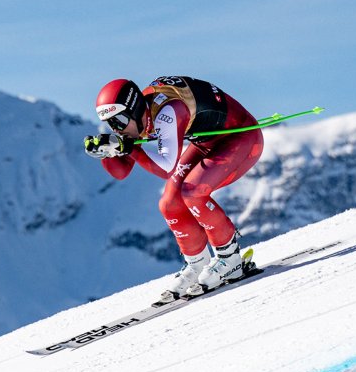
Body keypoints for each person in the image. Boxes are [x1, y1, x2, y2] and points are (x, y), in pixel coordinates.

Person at [84, 76, 264, 303]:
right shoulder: (135, 120)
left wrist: (126, 148)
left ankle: (230, 260)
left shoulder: (168, 111)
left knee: (193, 191)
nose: (117, 128)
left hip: (242, 139)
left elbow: (167, 167)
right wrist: (106, 152)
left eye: (119, 121)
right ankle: (197, 264)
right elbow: (121, 172)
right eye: (111, 123)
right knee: (169, 202)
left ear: (134, 109)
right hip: (207, 143)